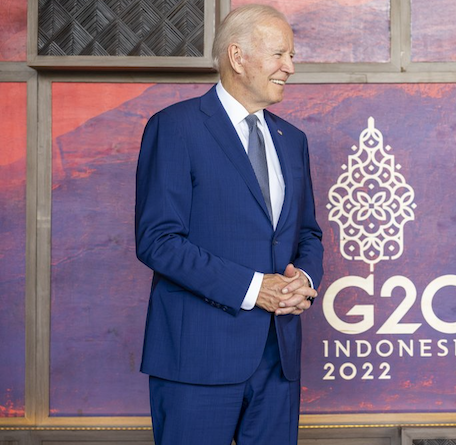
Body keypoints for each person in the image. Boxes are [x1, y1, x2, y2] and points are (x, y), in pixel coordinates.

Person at [134, 5, 323, 445]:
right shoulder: (174, 127)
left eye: (291, 56)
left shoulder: (292, 140)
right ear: (238, 57)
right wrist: (255, 288)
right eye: (280, 54)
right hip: (196, 359)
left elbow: (307, 233)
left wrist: (305, 280)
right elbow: (158, 241)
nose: (290, 68)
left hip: (279, 360)